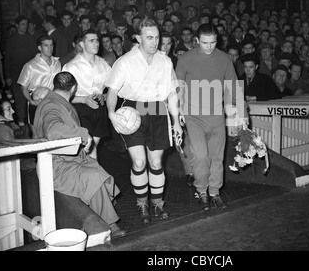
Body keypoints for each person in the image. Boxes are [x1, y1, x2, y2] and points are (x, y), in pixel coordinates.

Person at [105, 18, 182, 225]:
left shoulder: (165, 61)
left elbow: (172, 94)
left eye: (157, 37)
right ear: (138, 38)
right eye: (149, 37)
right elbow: (112, 91)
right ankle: (142, 203)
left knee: (156, 162)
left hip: (158, 109)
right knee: (139, 162)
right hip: (133, 110)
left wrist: (175, 121)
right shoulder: (125, 61)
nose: (154, 42)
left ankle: (157, 203)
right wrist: (111, 113)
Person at [33, 71, 126, 239]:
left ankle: (103, 214)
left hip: (68, 161)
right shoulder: (51, 105)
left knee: (101, 174)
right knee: (93, 177)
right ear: (74, 88)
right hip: (54, 166)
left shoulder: (56, 101)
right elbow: (53, 130)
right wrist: (84, 134)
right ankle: (110, 224)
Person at [175, 23, 247, 211]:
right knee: (200, 156)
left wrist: (242, 114)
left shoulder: (224, 59)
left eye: (213, 42)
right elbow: (178, 88)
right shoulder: (185, 59)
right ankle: (202, 190)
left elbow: (234, 88)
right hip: (193, 116)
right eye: (205, 43)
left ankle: (214, 192)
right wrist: (178, 111)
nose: (209, 47)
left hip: (216, 115)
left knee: (217, 157)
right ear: (197, 40)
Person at [62, 29, 111, 160]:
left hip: (99, 107)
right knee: (87, 148)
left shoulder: (103, 64)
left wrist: (105, 96)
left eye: (97, 40)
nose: (96, 44)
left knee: (93, 148)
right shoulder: (71, 66)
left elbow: (114, 87)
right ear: (82, 44)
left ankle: (91, 176)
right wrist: (84, 100)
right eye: (91, 41)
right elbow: (62, 96)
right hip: (80, 109)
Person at [17, 34, 61, 132]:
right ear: (39, 47)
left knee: (52, 131)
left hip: (53, 100)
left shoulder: (57, 63)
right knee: (37, 133)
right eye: (46, 45)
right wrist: (31, 101)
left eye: (51, 45)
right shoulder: (30, 65)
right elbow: (23, 87)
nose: (50, 48)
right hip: (37, 101)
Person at [4, 15, 38, 129]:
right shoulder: (11, 40)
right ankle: (22, 125)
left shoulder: (31, 38)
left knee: (31, 98)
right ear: (17, 25)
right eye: (22, 24)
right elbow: (7, 59)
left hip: (30, 74)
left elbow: (35, 56)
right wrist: (8, 76)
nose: (25, 26)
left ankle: (32, 123)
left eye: (26, 24)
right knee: (20, 101)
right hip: (16, 74)